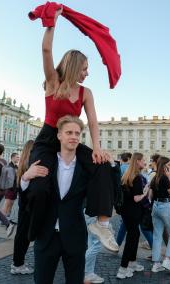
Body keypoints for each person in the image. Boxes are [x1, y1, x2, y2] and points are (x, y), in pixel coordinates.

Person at [27, 8, 117, 252]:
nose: (87, 73)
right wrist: (51, 23)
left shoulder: (86, 93)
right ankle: (32, 226)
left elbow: (94, 122)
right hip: (47, 139)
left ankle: (102, 223)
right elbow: (46, 50)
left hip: (71, 141)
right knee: (39, 185)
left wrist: (97, 147)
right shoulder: (53, 81)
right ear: (75, 65)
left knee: (103, 166)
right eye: (85, 68)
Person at [25, 115, 117, 283]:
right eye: (69, 132)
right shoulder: (45, 162)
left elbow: (108, 187)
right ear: (59, 135)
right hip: (46, 235)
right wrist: (25, 177)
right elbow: (27, 195)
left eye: (77, 133)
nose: (74, 136)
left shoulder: (87, 167)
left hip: (75, 236)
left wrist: (110, 166)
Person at [11, 140, 48, 275]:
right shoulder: (28, 166)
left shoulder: (25, 165)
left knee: (23, 235)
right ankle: (17, 264)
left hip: (26, 205)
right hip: (27, 206)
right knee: (23, 236)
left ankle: (18, 262)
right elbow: (21, 188)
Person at [116, 152, 147, 279]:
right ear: (138, 161)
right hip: (133, 212)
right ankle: (123, 268)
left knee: (135, 235)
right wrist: (145, 193)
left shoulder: (127, 175)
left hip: (126, 212)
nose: (144, 162)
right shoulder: (137, 177)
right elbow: (136, 198)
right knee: (131, 238)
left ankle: (132, 263)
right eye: (143, 160)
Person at [149, 156, 170, 273]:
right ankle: (167, 259)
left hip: (155, 206)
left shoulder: (155, 177)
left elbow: (150, 195)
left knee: (157, 236)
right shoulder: (165, 177)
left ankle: (156, 264)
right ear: (165, 166)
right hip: (165, 206)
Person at [2, 153, 20, 218]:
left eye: (18, 157)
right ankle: (3, 219)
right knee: (7, 203)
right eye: (17, 157)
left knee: (11, 204)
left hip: (15, 188)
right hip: (9, 188)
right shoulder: (9, 166)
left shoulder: (17, 167)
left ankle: (7, 218)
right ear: (12, 157)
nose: (18, 158)